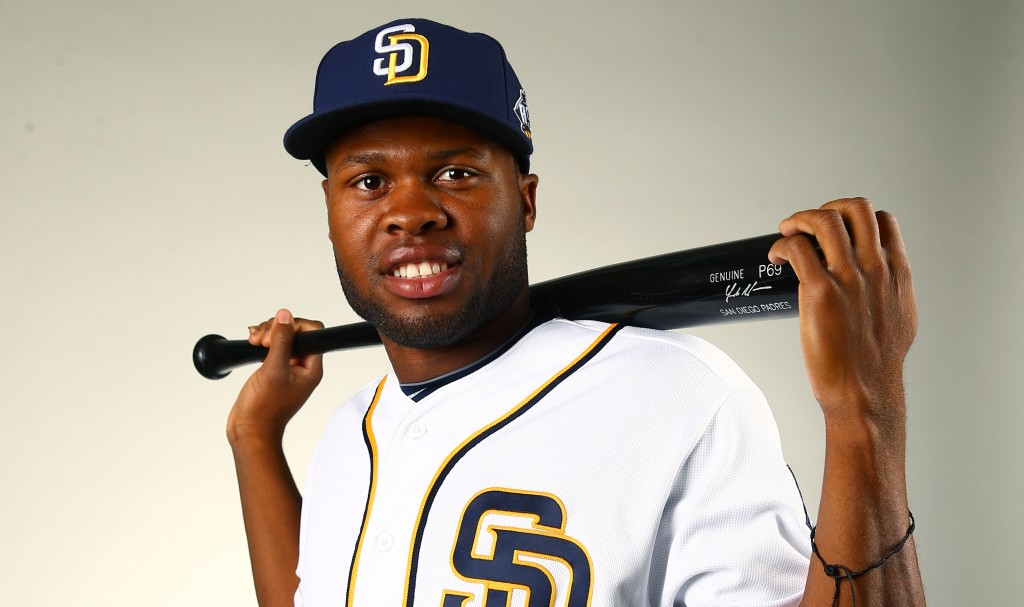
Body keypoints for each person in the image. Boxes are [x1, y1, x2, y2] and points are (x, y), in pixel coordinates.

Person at [227, 18, 926, 607]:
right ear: (329, 213)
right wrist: (255, 439)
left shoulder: (678, 394)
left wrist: (864, 413)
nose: (410, 213)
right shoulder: (349, 432)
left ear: (525, 200)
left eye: (456, 173)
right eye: (370, 181)